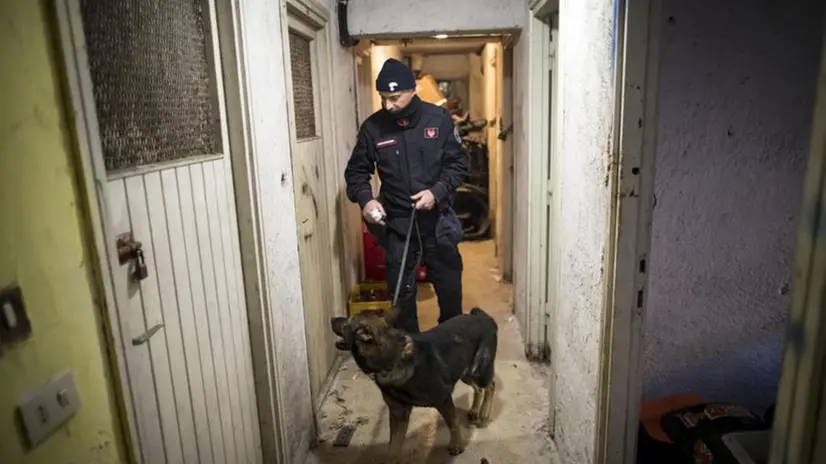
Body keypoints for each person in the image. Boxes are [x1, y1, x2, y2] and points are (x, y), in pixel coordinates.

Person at [344, 58, 469, 333]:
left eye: (394, 97)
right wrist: (367, 200)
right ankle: (409, 355)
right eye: (383, 98)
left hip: (438, 222)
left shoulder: (438, 119)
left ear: (412, 90)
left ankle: (449, 346)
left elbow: (458, 164)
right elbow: (355, 173)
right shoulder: (373, 128)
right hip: (398, 224)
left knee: (449, 290)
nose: (388, 105)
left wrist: (436, 193)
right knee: (401, 295)